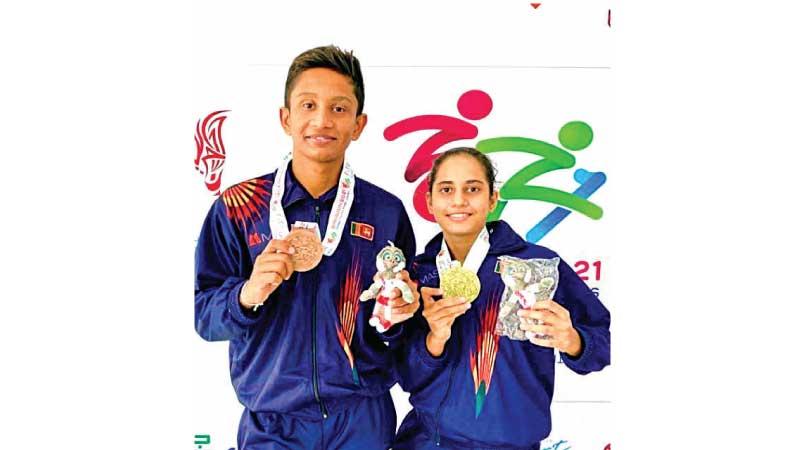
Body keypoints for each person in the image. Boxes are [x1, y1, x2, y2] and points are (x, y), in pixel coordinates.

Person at [194, 45, 420, 450]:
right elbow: (204, 317)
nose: (322, 120)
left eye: (338, 109)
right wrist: (246, 295)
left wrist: (399, 315)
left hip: (361, 420)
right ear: (286, 118)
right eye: (308, 105)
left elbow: (400, 328)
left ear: (358, 123)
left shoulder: (386, 212)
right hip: (273, 424)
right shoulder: (238, 207)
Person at [395, 147, 610, 449]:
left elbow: (604, 344)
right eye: (446, 189)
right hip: (429, 442)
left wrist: (573, 340)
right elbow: (405, 376)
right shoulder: (418, 274)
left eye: (473, 189)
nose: (459, 200)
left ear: (492, 199)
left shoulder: (539, 267)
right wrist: (435, 340)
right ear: (429, 201)